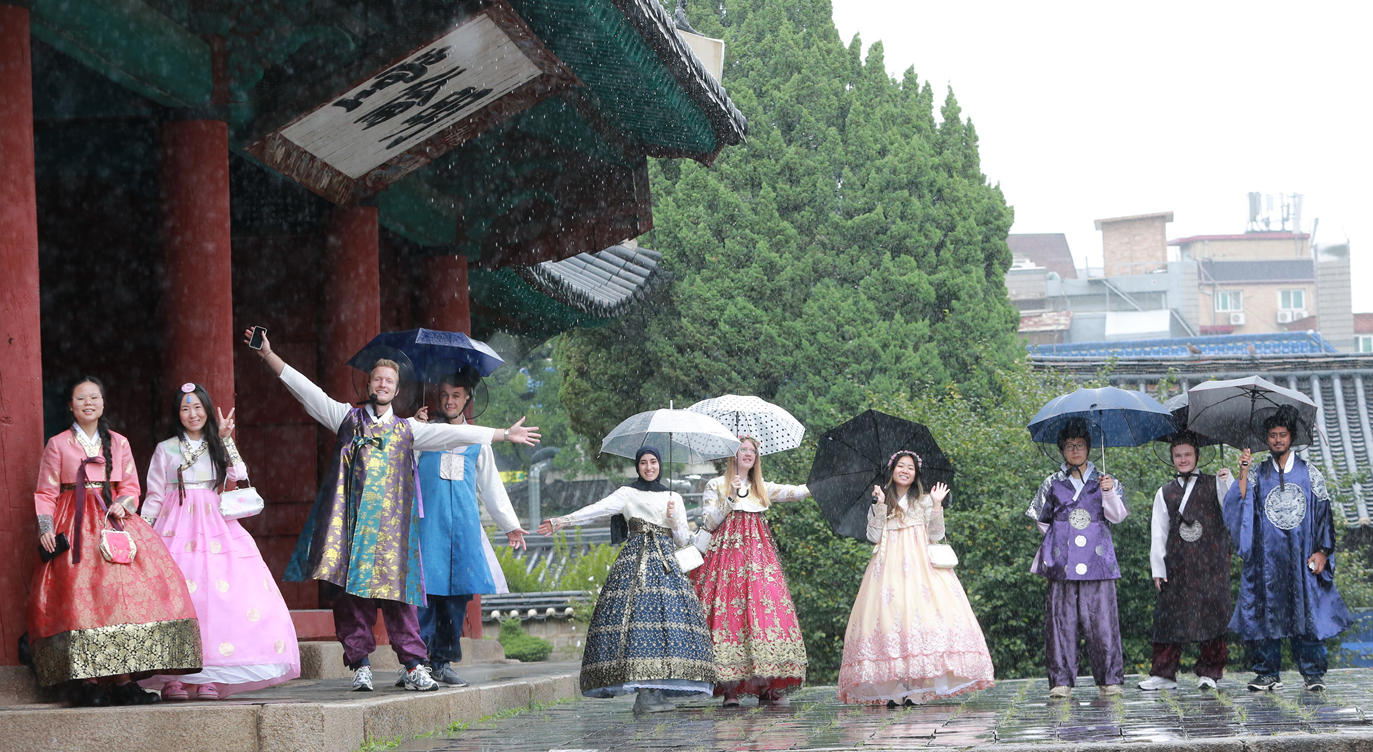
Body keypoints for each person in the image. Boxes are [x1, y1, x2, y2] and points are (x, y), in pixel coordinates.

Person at [244, 329, 539, 693]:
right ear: (369, 384)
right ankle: (361, 666)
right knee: (351, 601)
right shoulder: (346, 419)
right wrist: (268, 356)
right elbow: (308, 393)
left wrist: (502, 435)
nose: (382, 385)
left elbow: (455, 436)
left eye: (390, 381)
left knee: (402, 600)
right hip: (353, 532)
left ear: (397, 391)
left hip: (395, 533)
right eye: (378, 379)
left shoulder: (409, 430)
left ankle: (415, 665)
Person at [29, 376, 201, 706]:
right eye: (80, 399)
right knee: (81, 600)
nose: (88, 403)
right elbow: (45, 492)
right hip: (74, 521)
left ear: (103, 404)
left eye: (94, 397)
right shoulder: (58, 444)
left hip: (114, 522)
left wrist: (125, 503)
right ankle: (90, 682)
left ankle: (124, 679)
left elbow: (132, 488)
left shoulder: (119, 443)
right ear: (70, 406)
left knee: (125, 596)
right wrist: (45, 528)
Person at [140, 383, 301, 700]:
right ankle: (174, 677)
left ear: (207, 410)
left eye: (198, 407)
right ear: (178, 414)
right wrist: (144, 532)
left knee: (217, 600)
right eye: (185, 408)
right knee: (177, 598)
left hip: (215, 526)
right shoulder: (166, 449)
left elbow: (239, 472)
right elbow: (155, 495)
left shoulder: (217, 444)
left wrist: (227, 437)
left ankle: (208, 678)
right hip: (174, 527)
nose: (192, 414)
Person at [537, 447, 716, 713]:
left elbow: (681, 539)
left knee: (666, 625)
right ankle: (644, 693)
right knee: (639, 625)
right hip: (636, 564)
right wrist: (563, 520)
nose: (649, 467)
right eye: (643, 463)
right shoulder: (627, 493)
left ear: (660, 465)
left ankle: (657, 691)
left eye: (653, 462)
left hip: (668, 566)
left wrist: (673, 517)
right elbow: (596, 510)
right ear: (637, 466)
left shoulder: (673, 496)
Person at [837, 451, 994, 706]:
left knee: (922, 619)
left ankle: (917, 687)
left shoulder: (922, 501)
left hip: (921, 567)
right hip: (887, 568)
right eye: (901, 466)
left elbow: (937, 534)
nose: (906, 471)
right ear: (892, 470)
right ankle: (899, 686)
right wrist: (878, 504)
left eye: (910, 467)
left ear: (916, 473)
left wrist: (937, 504)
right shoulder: (882, 500)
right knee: (892, 621)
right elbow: (874, 537)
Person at [410, 368, 527, 687]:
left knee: (457, 597)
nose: (449, 401)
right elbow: (405, 467)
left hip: (463, 529)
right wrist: (415, 430)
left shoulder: (478, 440)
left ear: (468, 399)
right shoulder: (426, 434)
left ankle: (442, 661)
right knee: (425, 593)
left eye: (456, 395)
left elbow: (491, 486)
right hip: (428, 526)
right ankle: (416, 662)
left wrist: (510, 525)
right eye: (445, 395)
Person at [1224, 405, 1352, 692]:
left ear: (1291, 437)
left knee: (1307, 613)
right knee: (1266, 614)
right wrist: (1242, 470)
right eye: (1272, 435)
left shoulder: (1310, 474)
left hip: (1301, 555)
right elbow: (1239, 504)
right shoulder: (1258, 473)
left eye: (1282, 435)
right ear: (1266, 439)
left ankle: (1313, 673)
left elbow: (1323, 514)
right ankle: (1268, 672)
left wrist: (1322, 551)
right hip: (1267, 558)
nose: (1277, 440)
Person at [692, 436, 809, 706]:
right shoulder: (715, 485)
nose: (748, 454)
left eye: (752, 451)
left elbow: (794, 492)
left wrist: (818, 486)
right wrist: (730, 496)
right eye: (742, 449)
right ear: (732, 455)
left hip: (759, 562)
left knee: (765, 614)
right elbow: (709, 521)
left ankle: (767, 685)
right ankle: (730, 689)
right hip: (726, 560)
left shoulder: (760, 487)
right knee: (729, 616)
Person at [1026, 418, 1126, 698]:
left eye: (1080, 445)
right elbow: (1042, 522)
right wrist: (1061, 539)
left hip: (1098, 561)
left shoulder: (1107, 481)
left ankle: (1109, 679)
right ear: (1062, 451)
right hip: (1062, 563)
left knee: (1102, 622)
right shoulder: (1051, 483)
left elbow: (1118, 517)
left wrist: (1108, 493)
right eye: (1069, 446)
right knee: (1061, 622)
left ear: (1089, 448)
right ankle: (1061, 680)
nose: (1075, 451)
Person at [1139, 433, 1233, 691]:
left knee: (1212, 619)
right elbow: (1158, 532)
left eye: (1187, 454)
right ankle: (1164, 674)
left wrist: (1229, 483)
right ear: (1172, 458)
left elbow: (1233, 511)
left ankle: (1210, 673)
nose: (1183, 459)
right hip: (1177, 566)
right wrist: (1158, 568)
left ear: (1197, 456)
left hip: (1211, 564)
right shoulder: (1165, 491)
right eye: (1178, 455)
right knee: (1168, 620)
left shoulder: (1216, 483)